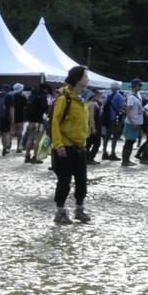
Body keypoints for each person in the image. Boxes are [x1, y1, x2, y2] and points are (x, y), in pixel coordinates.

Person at [50, 65, 91, 225]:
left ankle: (79, 209)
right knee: (64, 180)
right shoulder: (64, 99)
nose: (87, 79)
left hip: (79, 147)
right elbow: (55, 123)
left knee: (81, 179)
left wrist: (84, 142)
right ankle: (60, 211)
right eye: (85, 76)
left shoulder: (83, 100)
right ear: (77, 79)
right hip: (64, 147)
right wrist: (58, 144)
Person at [120, 78, 145, 166]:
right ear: (135, 86)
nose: (140, 87)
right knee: (128, 142)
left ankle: (127, 159)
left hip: (137, 121)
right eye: (139, 85)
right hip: (131, 122)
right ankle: (125, 160)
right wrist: (133, 122)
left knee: (132, 141)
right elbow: (128, 110)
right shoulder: (131, 97)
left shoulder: (138, 95)